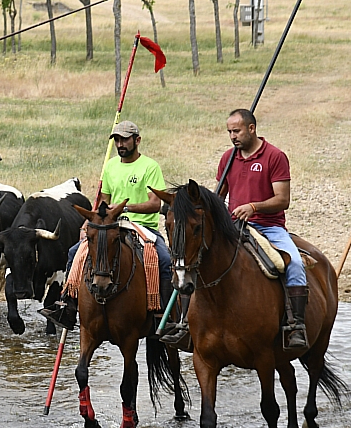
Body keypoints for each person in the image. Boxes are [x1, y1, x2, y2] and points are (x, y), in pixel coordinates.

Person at [166, 109, 308, 350]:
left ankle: (296, 326)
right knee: (193, 259)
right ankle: (184, 324)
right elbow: (218, 197)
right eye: (229, 132)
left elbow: (282, 199)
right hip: (232, 226)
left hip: (268, 227)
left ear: (251, 129)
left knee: (293, 263)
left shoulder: (275, 156)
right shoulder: (228, 158)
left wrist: (254, 207)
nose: (232, 136)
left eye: (237, 131)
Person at [41, 121, 171, 329]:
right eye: (117, 140)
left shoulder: (150, 166)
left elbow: (155, 204)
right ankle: (68, 305)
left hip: (143, 226)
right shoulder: (110, 166)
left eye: (125, 140)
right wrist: (89, 221)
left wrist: (125, 208)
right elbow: (103, 201)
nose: (120, 144)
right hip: (111, 225)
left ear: (137, 140)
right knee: (74, 252)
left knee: (164, 259)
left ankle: (164, 316)